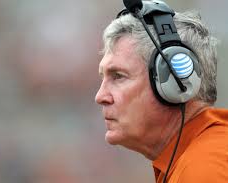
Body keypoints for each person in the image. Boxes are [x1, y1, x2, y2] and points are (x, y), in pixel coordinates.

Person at [95, 0, 228, 182]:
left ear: (176, 81)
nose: (100, 96)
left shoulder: (202, 170)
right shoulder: (198, 157)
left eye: (118, 76)